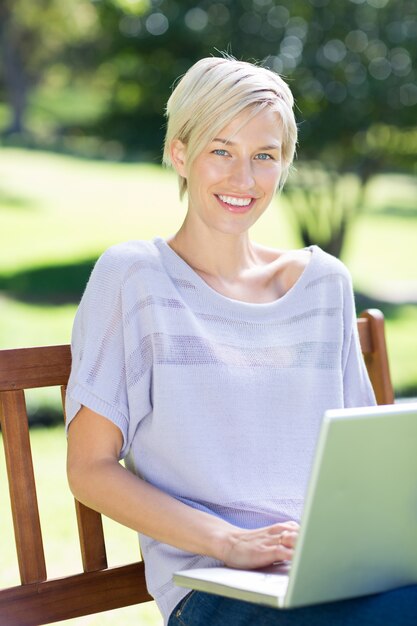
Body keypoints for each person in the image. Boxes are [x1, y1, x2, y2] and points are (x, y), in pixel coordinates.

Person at [66, 56, 417, 626]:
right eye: (221, 150)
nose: (243, 180)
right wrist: (231, 542)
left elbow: (363, 459)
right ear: (181, 153)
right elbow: (89, 469)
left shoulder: (325, 283)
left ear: (284, 165)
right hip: (215, 588)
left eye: (264, 156)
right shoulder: (135, 278)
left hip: (332, 571)